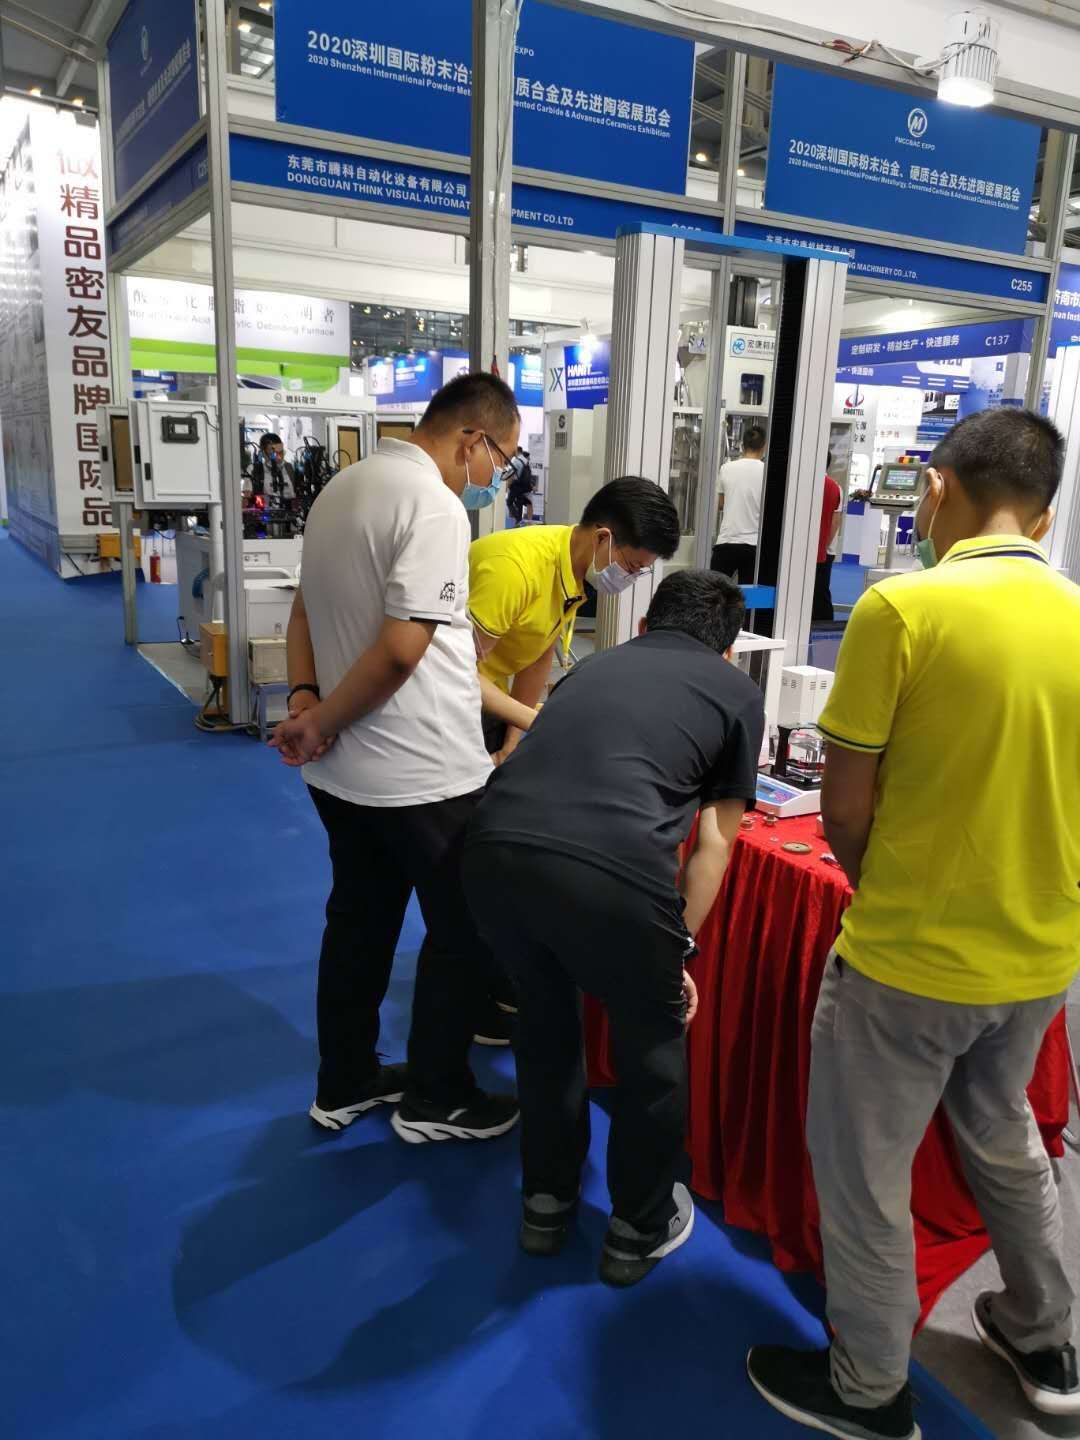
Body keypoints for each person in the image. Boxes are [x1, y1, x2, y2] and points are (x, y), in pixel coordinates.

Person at [748, 408, 1080, 1436]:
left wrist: (882, 892)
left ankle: (868, 1388)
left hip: (908, 959)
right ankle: (1046, 1336)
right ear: (1045, 512)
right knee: (1004, 1129)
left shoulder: (903, 607)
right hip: (1040, 958)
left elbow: (843, 809)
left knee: (864, 1173)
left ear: (936, 490)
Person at [464, 570, 765, 1287]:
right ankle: (638, 1226)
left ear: (643, 626)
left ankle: (545, 1203)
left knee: (544, 1027)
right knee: (652, 1047)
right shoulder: (735, 693)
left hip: (490, 851)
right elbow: (713, 844)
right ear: (728, 649)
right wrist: (679, 948)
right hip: (614, 872)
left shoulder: (593, 667)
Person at [270, 372, 522, 1146]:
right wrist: (318, 720)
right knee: (465, 931)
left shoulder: (342, 488)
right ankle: (437, 1095)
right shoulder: (433, 504)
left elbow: (303, 611)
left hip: (342, 773)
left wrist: (307, 703)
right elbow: (402, 651)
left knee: (359, 922)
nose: (495, 478)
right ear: (471, 440)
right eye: (502, 460)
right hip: (424, 773)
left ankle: (344, 1080)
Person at [467, 477, 682, 1047]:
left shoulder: (572, 574)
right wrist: (536, 722)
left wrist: (514, 743)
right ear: (605, 537)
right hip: (441, 706)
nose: (629, 579)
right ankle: (472, 995)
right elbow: (453, 673)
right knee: (468, 861)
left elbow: (536, 656)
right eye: (631, 566)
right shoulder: (516, 566)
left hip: (489, 706)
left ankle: (500, 977)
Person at [711, 424, 766, 584]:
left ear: (743, 445)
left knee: (715, 591)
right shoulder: (767, 471)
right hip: (754, 545)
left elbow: (721, 504)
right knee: (748, 596)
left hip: (727, 542)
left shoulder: (726, 468)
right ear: (764, 446)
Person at [811, 453, 843, 623]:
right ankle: (823, 629)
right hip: (825, 550)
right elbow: (835, 521)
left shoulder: (806, 484)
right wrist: (823, 546)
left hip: (811, 550)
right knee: (820, 591)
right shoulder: (835, 487)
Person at [506, 449, 536, 526]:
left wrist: (508, 485)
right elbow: (529, 474)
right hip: (525, 486)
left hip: (517, 485)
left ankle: (517, 519)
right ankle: (524, 521)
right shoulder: (526, 461)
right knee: (521, 502)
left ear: (517, 452)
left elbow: (511, 475)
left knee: (509, 502)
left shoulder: (516, 461)